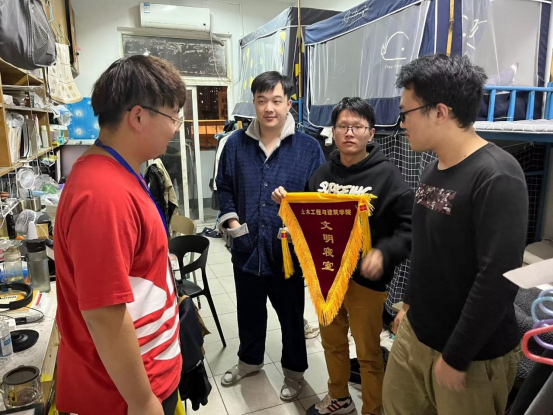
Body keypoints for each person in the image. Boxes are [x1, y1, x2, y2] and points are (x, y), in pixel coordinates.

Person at [383, 54, 528, 415]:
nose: (402, 123)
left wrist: (457, 356)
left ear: (440, 112)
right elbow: (425, 248)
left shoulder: (497, 175)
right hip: (416, 334)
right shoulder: (433, 168)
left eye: (406, 113)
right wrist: (409, 307)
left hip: (471, 356)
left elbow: (499, 278)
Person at [54, 56, 187, 415]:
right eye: (173, 116)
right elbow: (103, 313)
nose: (175, 128)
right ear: (138, 117)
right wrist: (142, 402)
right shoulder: (103, 193)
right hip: (122, 396)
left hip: (146, 376)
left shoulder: (122, 172)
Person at [272, 97, 413, 415]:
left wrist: (384, 253)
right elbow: (309, 220)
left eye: (357, 127)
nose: (349, 133)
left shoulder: (388, 177)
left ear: (371, 132)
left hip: (366, 283)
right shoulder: (321, 173)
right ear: (333, 132)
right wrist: (288, 207)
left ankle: (373, 409)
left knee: (368, 353)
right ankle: (339, 398)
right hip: (326, 278)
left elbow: (409, 229)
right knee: (332, 344)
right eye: (342, 126)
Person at [216, 71, 325, 400]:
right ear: (253, 102)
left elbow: (318, 197)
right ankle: (249, 361)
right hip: (246, 246)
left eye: (277, 100)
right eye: (262, 100)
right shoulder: (235, 144)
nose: (269, 108)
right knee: (249, 311)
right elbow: (224, 187)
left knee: (291, 316)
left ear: (289, 104)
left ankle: (294, 372)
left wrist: (293, 208)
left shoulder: (308, 148)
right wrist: (232, 223)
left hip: (287, 252)